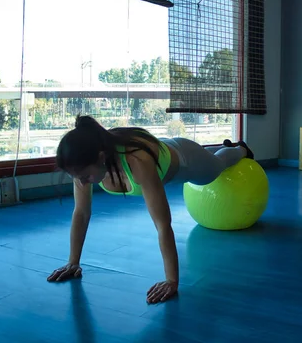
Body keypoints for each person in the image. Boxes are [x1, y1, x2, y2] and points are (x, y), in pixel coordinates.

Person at [47, 114, 254, 304]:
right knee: (209, 157)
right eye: (77, 178)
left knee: (217, 166)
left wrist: (171, 280)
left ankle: (240, 149)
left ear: (101, 157)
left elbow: (163, 223)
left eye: (85, 177)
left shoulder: (137, 160)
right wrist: (73, 262)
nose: (82, 183)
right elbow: (81, 213)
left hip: (184, 159)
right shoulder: (81, 166)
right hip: (164, 155)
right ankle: (213, 150)